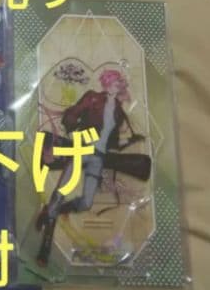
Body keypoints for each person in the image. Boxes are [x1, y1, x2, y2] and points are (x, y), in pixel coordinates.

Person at [34, 69, 146, 266]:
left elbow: (112, 140)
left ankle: (50, 211)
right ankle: (45, 249)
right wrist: (75, 126)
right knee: (60, 193)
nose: (118, 86)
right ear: (107, 83)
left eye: (120, 83)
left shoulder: (118, 110)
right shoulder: (93, 98)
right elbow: (70, 116)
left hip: (98, 158)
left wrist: (130, 141)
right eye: (116, 82)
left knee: (86, 203)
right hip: (81, 150)